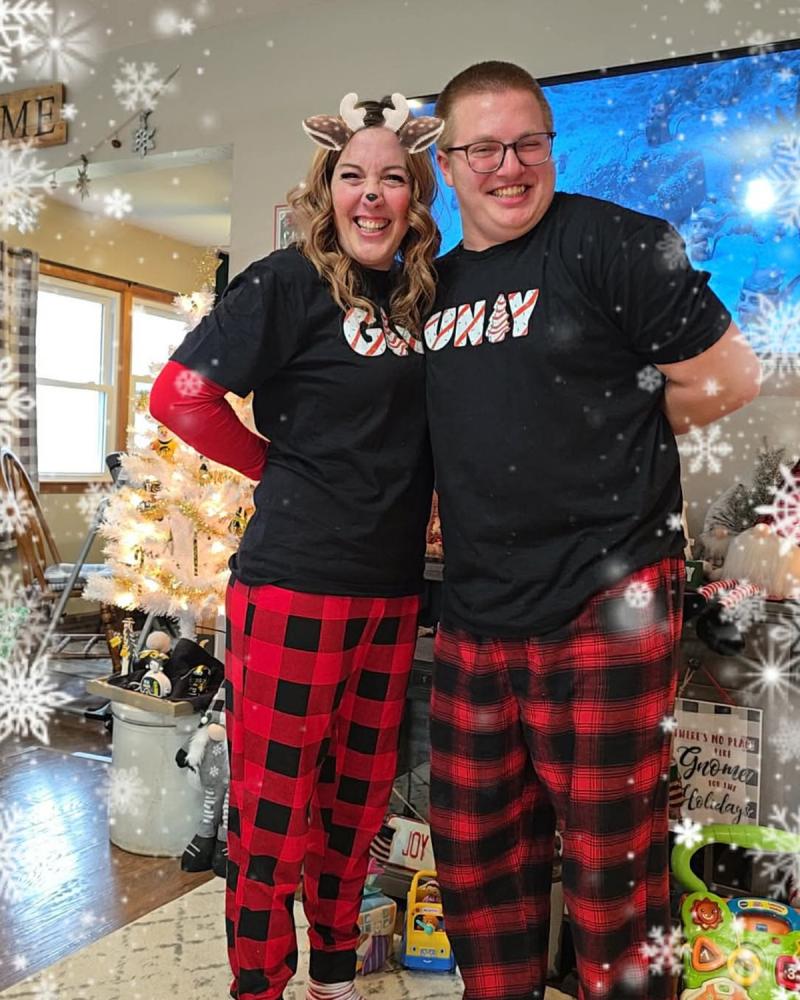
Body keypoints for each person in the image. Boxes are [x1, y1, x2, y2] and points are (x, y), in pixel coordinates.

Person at [424, 61, 761, 1000]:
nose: (509, 166)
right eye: (483, 149)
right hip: (477, 605)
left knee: (615, 870)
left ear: (550, 146)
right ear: (447, 165)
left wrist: (614, 430)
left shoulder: (615, 242)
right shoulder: (431, 288)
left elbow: (732, 376)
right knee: (476, 860)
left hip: (608, 593)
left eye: (528, 143)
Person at [150, 92, 443, 1000]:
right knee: (273, 816)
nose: (371, 195)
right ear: (328, 188)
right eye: (352, 175)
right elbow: (179, 395)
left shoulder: (430, 295)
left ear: (416, 193)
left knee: (357, 806)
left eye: (391, 177)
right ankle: (259, 984)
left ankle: (334, 975)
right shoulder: (285, 283)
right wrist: (268, 465)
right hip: (295, 585)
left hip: (393, 590)